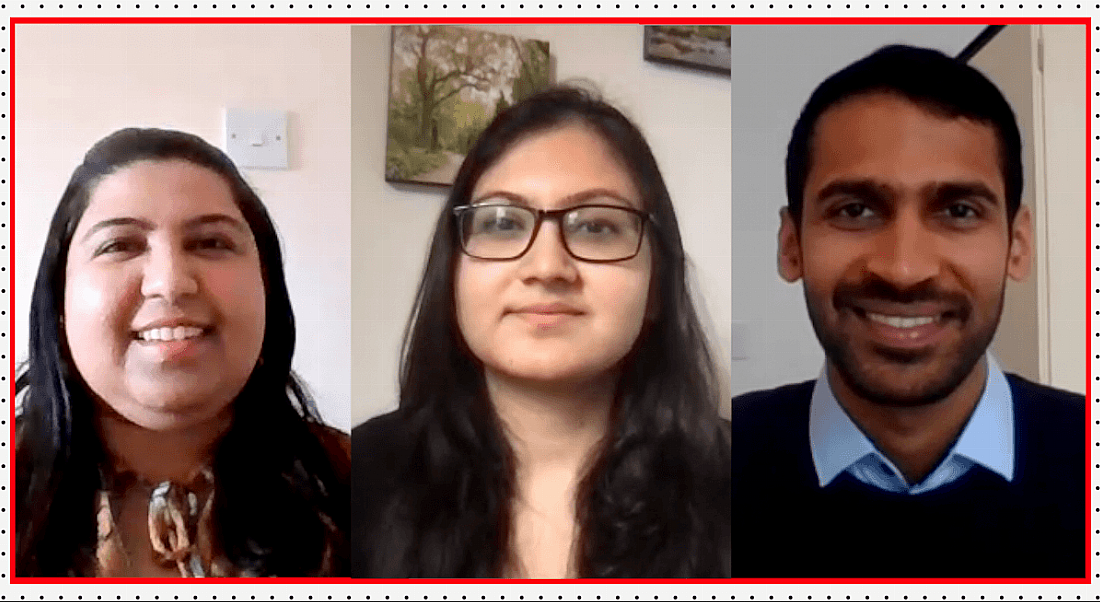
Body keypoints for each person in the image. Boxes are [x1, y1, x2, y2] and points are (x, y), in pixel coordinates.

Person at [730, 45, 1085, 577]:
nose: (903, 269)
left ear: (1017, 244)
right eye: (855, 209)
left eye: (959, 211)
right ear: (790, 244)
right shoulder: (698, 471)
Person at [351, 86, 731, 578]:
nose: (548, 266)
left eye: (595, 227)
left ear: (655, 285)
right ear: (454, 275)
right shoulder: (354, 478)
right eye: (503, 222)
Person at [15, 128, 350, 577]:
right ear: (58, 299)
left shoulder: (361, 484)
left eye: (211, 243)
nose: (170, 282)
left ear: (267, 289)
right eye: (119, 245)